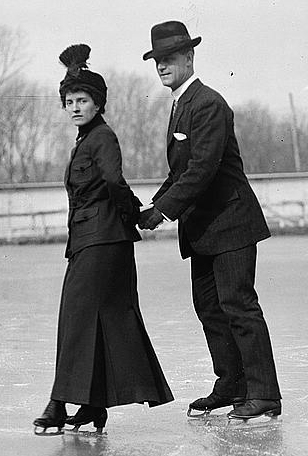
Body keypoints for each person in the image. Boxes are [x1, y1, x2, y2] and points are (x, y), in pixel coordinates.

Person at [139, 21, 281, 419]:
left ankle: (265, 393)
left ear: (189, 57)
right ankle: (233, 384)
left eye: (169, 58)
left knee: (238, 305)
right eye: (157, 61)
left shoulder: (208, 104)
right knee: (210, 308)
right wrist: (150, 207)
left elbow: (202, 170)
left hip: (231, 224)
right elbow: (180, 171)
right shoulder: (180, 104)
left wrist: (163, 210)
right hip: (203, 229)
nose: (162, 67)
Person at [33, 44, 174, 435]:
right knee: (89, 320)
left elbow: (113, 182)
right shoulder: (85, 138)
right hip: (90, 243)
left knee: (77, 321)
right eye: (69, 101)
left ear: (98, 104)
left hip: (103, 242)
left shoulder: (102, 138)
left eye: (83, 100)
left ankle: (59, 403)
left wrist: (136, 216)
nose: (75, 106)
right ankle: (93, 406)